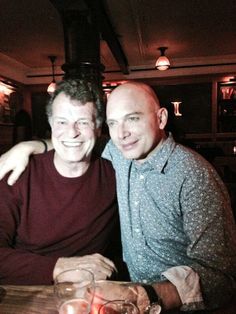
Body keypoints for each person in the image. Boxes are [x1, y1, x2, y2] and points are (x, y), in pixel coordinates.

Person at [0, 81, 236, 313]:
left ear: (161, 118)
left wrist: (144, 295)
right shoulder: (115, 154)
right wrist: (30, 145)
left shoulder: (191, 174)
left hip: (170, 304)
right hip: (67, 297)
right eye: (114, 123)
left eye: (132, 118)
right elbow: (72, 142)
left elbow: (222, 277)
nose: (122, 133)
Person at [0, 79, 119, 285]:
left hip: (92, 293)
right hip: (26, 292)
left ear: (99, 129)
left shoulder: (116, 173)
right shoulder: (19, 173)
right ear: (50, 125)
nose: (72, 132)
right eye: (62, 122)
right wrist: (60, 268)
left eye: (83, 122)